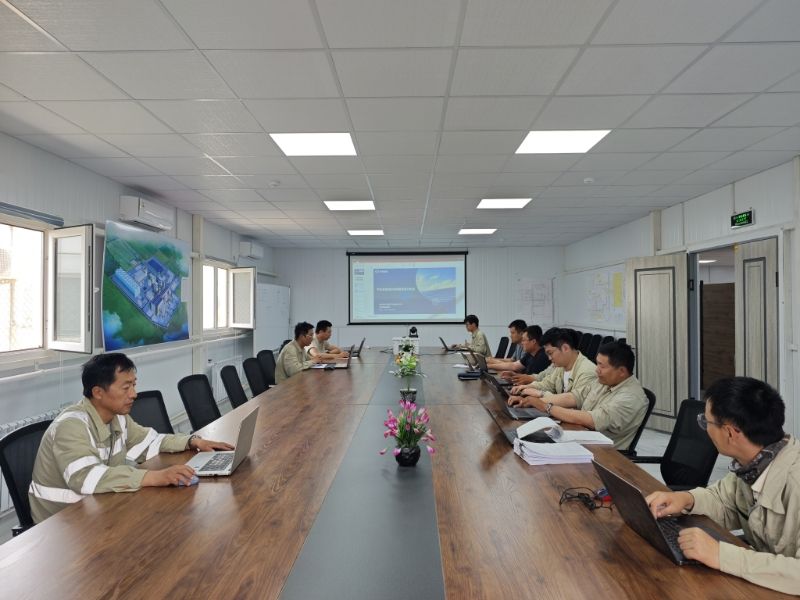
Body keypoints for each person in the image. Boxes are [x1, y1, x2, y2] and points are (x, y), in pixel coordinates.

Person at [29, 353, 234, 523]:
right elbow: (86, 477)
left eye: (134, 385)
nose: (134, 394)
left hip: (100, 508)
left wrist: (193, 441)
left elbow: (151, 442)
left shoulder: (117, 417)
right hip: (61, 525)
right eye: (126, 387)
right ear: (98, 392)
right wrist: (155, 477)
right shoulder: (71, 426)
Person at [645, 377, 799, 595]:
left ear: (730, 433)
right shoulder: (754, 463)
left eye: (706, 422)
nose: (705, 429)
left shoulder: (795, 481)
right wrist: (686, 499)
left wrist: (720, 555)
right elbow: (724, 501)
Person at [511, 341, 647, 450]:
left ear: (622, 371)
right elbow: (574, 397)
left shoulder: (630, 397)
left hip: (604, 455)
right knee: (524, 441)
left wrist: (546, 406)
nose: (596, 370)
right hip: (583, 441)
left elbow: (590, 419)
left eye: (602, 366)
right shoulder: (605, 382)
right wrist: (532, 401)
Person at [507, 327, 597, 412]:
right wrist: (527, 387)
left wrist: (538, 396)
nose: (549, 358)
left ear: (565, 348)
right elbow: (548, 383)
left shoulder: (587, 371)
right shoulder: (561, 366)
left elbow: (572, 400)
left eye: (550, 353)